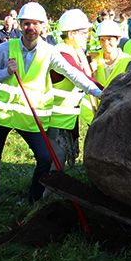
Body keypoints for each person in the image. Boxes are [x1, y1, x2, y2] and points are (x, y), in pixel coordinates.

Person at [0, 2, 102, 208]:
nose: (31, 28)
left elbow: (73, 74)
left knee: (45, 159)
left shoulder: (49, 52)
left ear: (43, 27)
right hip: (2, 114)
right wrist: (5, 73)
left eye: (35, 24)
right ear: (20, 25)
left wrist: (100, 93)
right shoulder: (5, 49)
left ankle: (34, 198)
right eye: (26, 23)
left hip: (29, 116)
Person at [48, 9, 96, 171]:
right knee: (56, 159)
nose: (87, 36)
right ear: (71, 34)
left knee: (59, 159)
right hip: (55, 118)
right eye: (83, 33)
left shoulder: (74, 52)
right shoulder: (62, 53)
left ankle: (49, 192)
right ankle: (46, 194)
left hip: (65, 117)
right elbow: (83, 79)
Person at [83, 20, 131, 124]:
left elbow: (130, 92)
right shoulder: (93, 60)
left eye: (109, 39)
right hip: (94, 116)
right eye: (102, 40)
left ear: (118, 40)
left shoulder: (127, 61)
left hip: (117, 114)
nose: (105, 43)